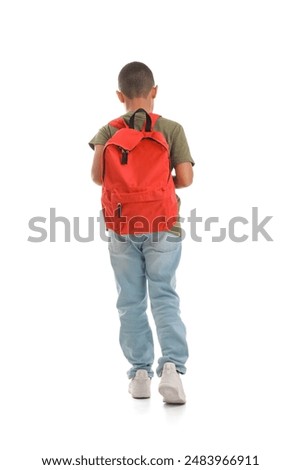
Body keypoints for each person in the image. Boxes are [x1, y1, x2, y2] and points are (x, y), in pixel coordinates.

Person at [89, 62, 194, 404]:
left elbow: (98, 178)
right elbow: (187, 179)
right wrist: (162, 186)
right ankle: (173, 371)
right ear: (154, 92)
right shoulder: (172, 128)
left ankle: (139, 373)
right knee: (164, 295)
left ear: (120, 95)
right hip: (164, 223)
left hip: (122, 226)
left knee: (130, 300)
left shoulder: (108, 131)